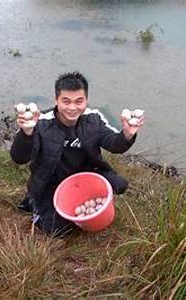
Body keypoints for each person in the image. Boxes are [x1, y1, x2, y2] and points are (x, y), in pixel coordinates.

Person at [10, 72, 144, 237]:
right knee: (55, 230)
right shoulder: (40, 122)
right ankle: (34, 202)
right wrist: (27, 134)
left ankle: (81, 198)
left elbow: (114, 144)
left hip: (87, 173)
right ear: (56, 100)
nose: (72, 108)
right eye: (66, 101)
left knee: (120, 184)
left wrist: (127, 134)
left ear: (86, 100)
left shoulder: (94, 119)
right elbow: (19, 158)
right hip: (51, 181)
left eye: (79, 101)